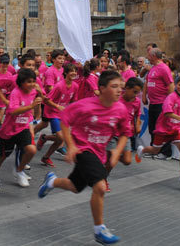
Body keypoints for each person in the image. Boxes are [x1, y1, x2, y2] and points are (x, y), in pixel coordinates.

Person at [38, 71, 131, 245]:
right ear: (102, 89)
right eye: (114, 86)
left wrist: (118, 152)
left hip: (99, 153)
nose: (119, 90)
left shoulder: (121, 109)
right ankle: (99, 230)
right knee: (100, 187)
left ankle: (51, 182)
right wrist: (71, 145)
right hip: (83, 149)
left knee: (74, 187)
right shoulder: (85, 105)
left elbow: (126, 133)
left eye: (121, 87)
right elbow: (65, 119)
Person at [0, 68, 42, 191]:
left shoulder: (33, 91)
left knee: (32, 150)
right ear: (21, 82)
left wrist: (40, 96)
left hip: (23, 128)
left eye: (34, 81)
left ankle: (19, 170)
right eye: (29, 81)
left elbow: (42, 101)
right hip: (10, 130)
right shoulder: (15, 93)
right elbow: (12, 111)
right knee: (2, 156)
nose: (32, 84)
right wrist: (31, 106)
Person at [136, 76, 180, 184]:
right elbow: (167, 113)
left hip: (176, 129)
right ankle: (143, 150)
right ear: (176, 85)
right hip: (164, 128)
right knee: (155, 150)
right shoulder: (171, 97)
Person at [37, 64, 79, 166]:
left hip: (63, 113)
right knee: (60, 137)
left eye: (75, 71)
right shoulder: (59, 86)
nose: (74, 73)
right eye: (71, 71)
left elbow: (73, 101)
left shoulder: (75, 86)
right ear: (65, 73)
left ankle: (44, 142)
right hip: (52, 112)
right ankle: (45, 154)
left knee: (62, 137)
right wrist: (57, 106)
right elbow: (47, 101)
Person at [142, 48, 175, 159]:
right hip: (153, 102)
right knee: (153, 128)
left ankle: (166, 152)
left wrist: (169, 102)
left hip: (161, 103)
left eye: (149, 56)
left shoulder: (164, 68)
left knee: (162, 129)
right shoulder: (153, 68)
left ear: (154, 56)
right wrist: (144, 95)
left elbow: (170, 85)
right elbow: (147, 81)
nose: (147, 58)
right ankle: (154, 149)